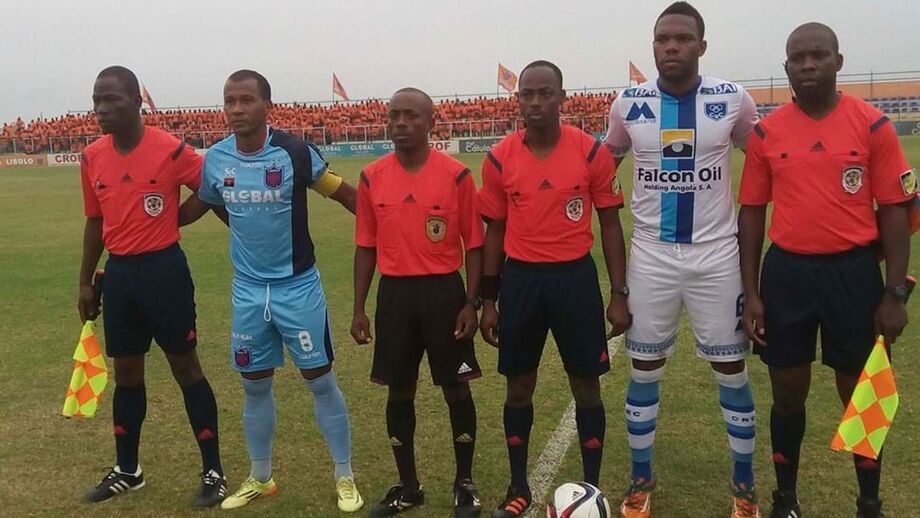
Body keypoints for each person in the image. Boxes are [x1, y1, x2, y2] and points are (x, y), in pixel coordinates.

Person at [738, 23, 913, 518]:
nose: (808, 64)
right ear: (786, 67)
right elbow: (751, 213)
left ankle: (869, 502)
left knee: (861, 393)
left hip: (853, 275)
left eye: (818, 55)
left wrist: (894, 293)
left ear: (839, 61)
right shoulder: (767, 133)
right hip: (787, 275)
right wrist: (752, 293)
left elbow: (895, 210)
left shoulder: (872, 125)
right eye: (798, 58)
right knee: (787, 392)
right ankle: (786, 499)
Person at [179, 69, 363, 512]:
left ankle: (345, 476)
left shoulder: (294, 152)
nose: (236, 109)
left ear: (267, 106)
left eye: (246, 100)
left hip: (297, 289)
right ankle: (261, 478)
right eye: (229, 101)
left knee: (321, 381)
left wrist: (390, 226)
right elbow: (200, 204)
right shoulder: (217, 159)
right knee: (254, 386)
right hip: (247, 293)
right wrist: (145, 226)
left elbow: (343, 194)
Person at [603, 3, 761, 517]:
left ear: (701, 45)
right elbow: (603, 163)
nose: (670, 47)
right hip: (651, 255)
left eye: (682, 38)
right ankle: (640, 479)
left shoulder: (732, 99)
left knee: (730, 367)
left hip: (717, 255)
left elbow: (766, 158)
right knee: (644, 365)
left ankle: (744, 488)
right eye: (661, 39)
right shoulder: (628, 103)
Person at [478, 60, 629, 518]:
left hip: (575, 281)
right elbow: (493, 232)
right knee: (519, 386)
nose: (536, 102)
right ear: (517, 100)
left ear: (562, 98)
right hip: (521, 282)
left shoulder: (591, 152)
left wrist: (618, 293)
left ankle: (591, 488)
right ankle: (518, 485)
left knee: (586, 386)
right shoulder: (499, 157)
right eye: (528, 94)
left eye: (546, 93)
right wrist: (488, 300)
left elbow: (610, 225)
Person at [78, 65, 226, 507]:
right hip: (119, 276)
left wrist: (178, 218)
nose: (102, 109)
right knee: (126, 373)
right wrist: (85, 280)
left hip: (164, 273)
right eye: (97, 101)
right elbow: (94, 220)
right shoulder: (91, 156)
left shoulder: (170, 149)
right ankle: (128, 470)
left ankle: (213, 471)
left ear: (137, 101)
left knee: (186, 368)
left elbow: (211, 190)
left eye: (112, 100)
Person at [351, 87, 484, 518]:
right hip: (395, 296)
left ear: (432, 122)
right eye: (394, 115)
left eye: (411, 115)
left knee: (456, 387)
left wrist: (472, 302)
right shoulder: (371, 176)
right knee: (399, 388)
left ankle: (464, 482)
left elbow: (474, 244)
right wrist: (359, 308)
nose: (401, 123)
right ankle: (408, 487)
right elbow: (366, 246)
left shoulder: (457, 175)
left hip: (444, 293)